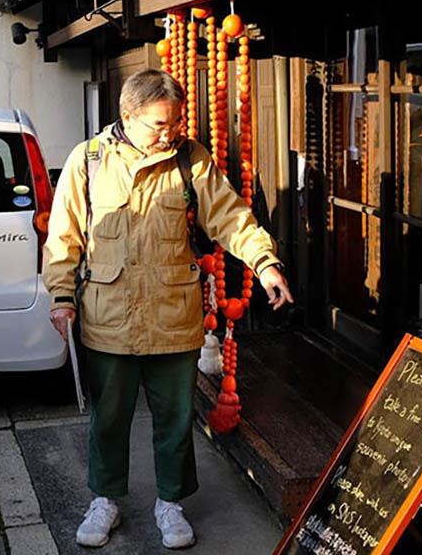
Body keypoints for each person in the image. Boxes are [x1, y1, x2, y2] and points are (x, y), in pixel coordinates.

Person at [43, 69, 293, 550]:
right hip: (108, 315)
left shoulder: (190, 160)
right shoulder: (89, 160)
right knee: (109, 418)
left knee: (174, 419)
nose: (170, 132)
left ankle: (170, 504)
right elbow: (64, 238)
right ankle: (105, 499)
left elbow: (231, 217)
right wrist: (61, 297)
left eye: (175, 122)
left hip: (173, 314)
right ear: (128, 115)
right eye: (159, 124)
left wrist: (265, 264)